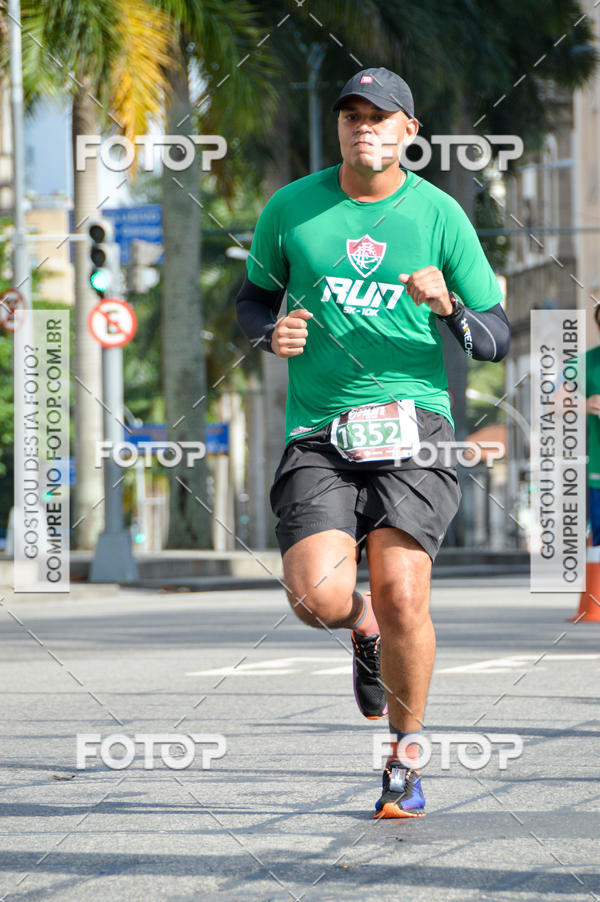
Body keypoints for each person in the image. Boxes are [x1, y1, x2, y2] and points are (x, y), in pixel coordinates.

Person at [236, 67, 510, 818]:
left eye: (382, 117)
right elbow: (253, 297)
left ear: (408, 133)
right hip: (318, 431)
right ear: (339, 128)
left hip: (415, 422)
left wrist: (448, 305)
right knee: (317, 597)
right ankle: (358, 626)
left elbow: (494, 336)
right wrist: (270, 331)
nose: (366, 128)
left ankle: (401, 759)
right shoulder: (293, 208)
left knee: (402, 592)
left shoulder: (440, 216)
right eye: (352, 115)